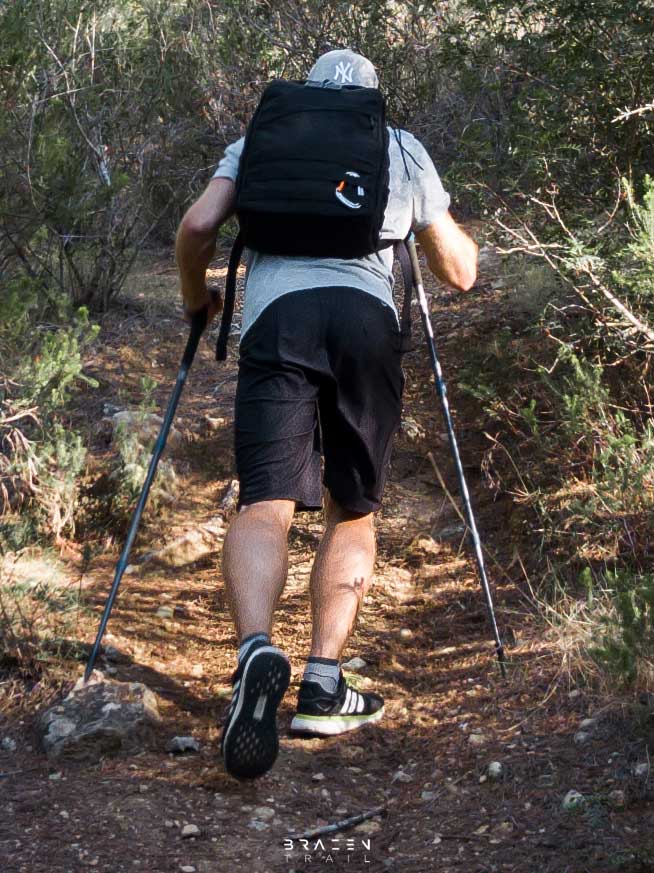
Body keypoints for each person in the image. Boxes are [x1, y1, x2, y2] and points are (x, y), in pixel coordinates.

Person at [175, 49, 478, 780]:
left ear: (307, 96)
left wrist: (196, 300)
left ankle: (255, 652)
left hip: (277, 324)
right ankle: (321, 682)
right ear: (373, 101)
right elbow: (461, 271)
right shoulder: (399, 147)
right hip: (366, 327)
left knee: (265, 503)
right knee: (351, 508)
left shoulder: (260, 143)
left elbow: (196, 227)